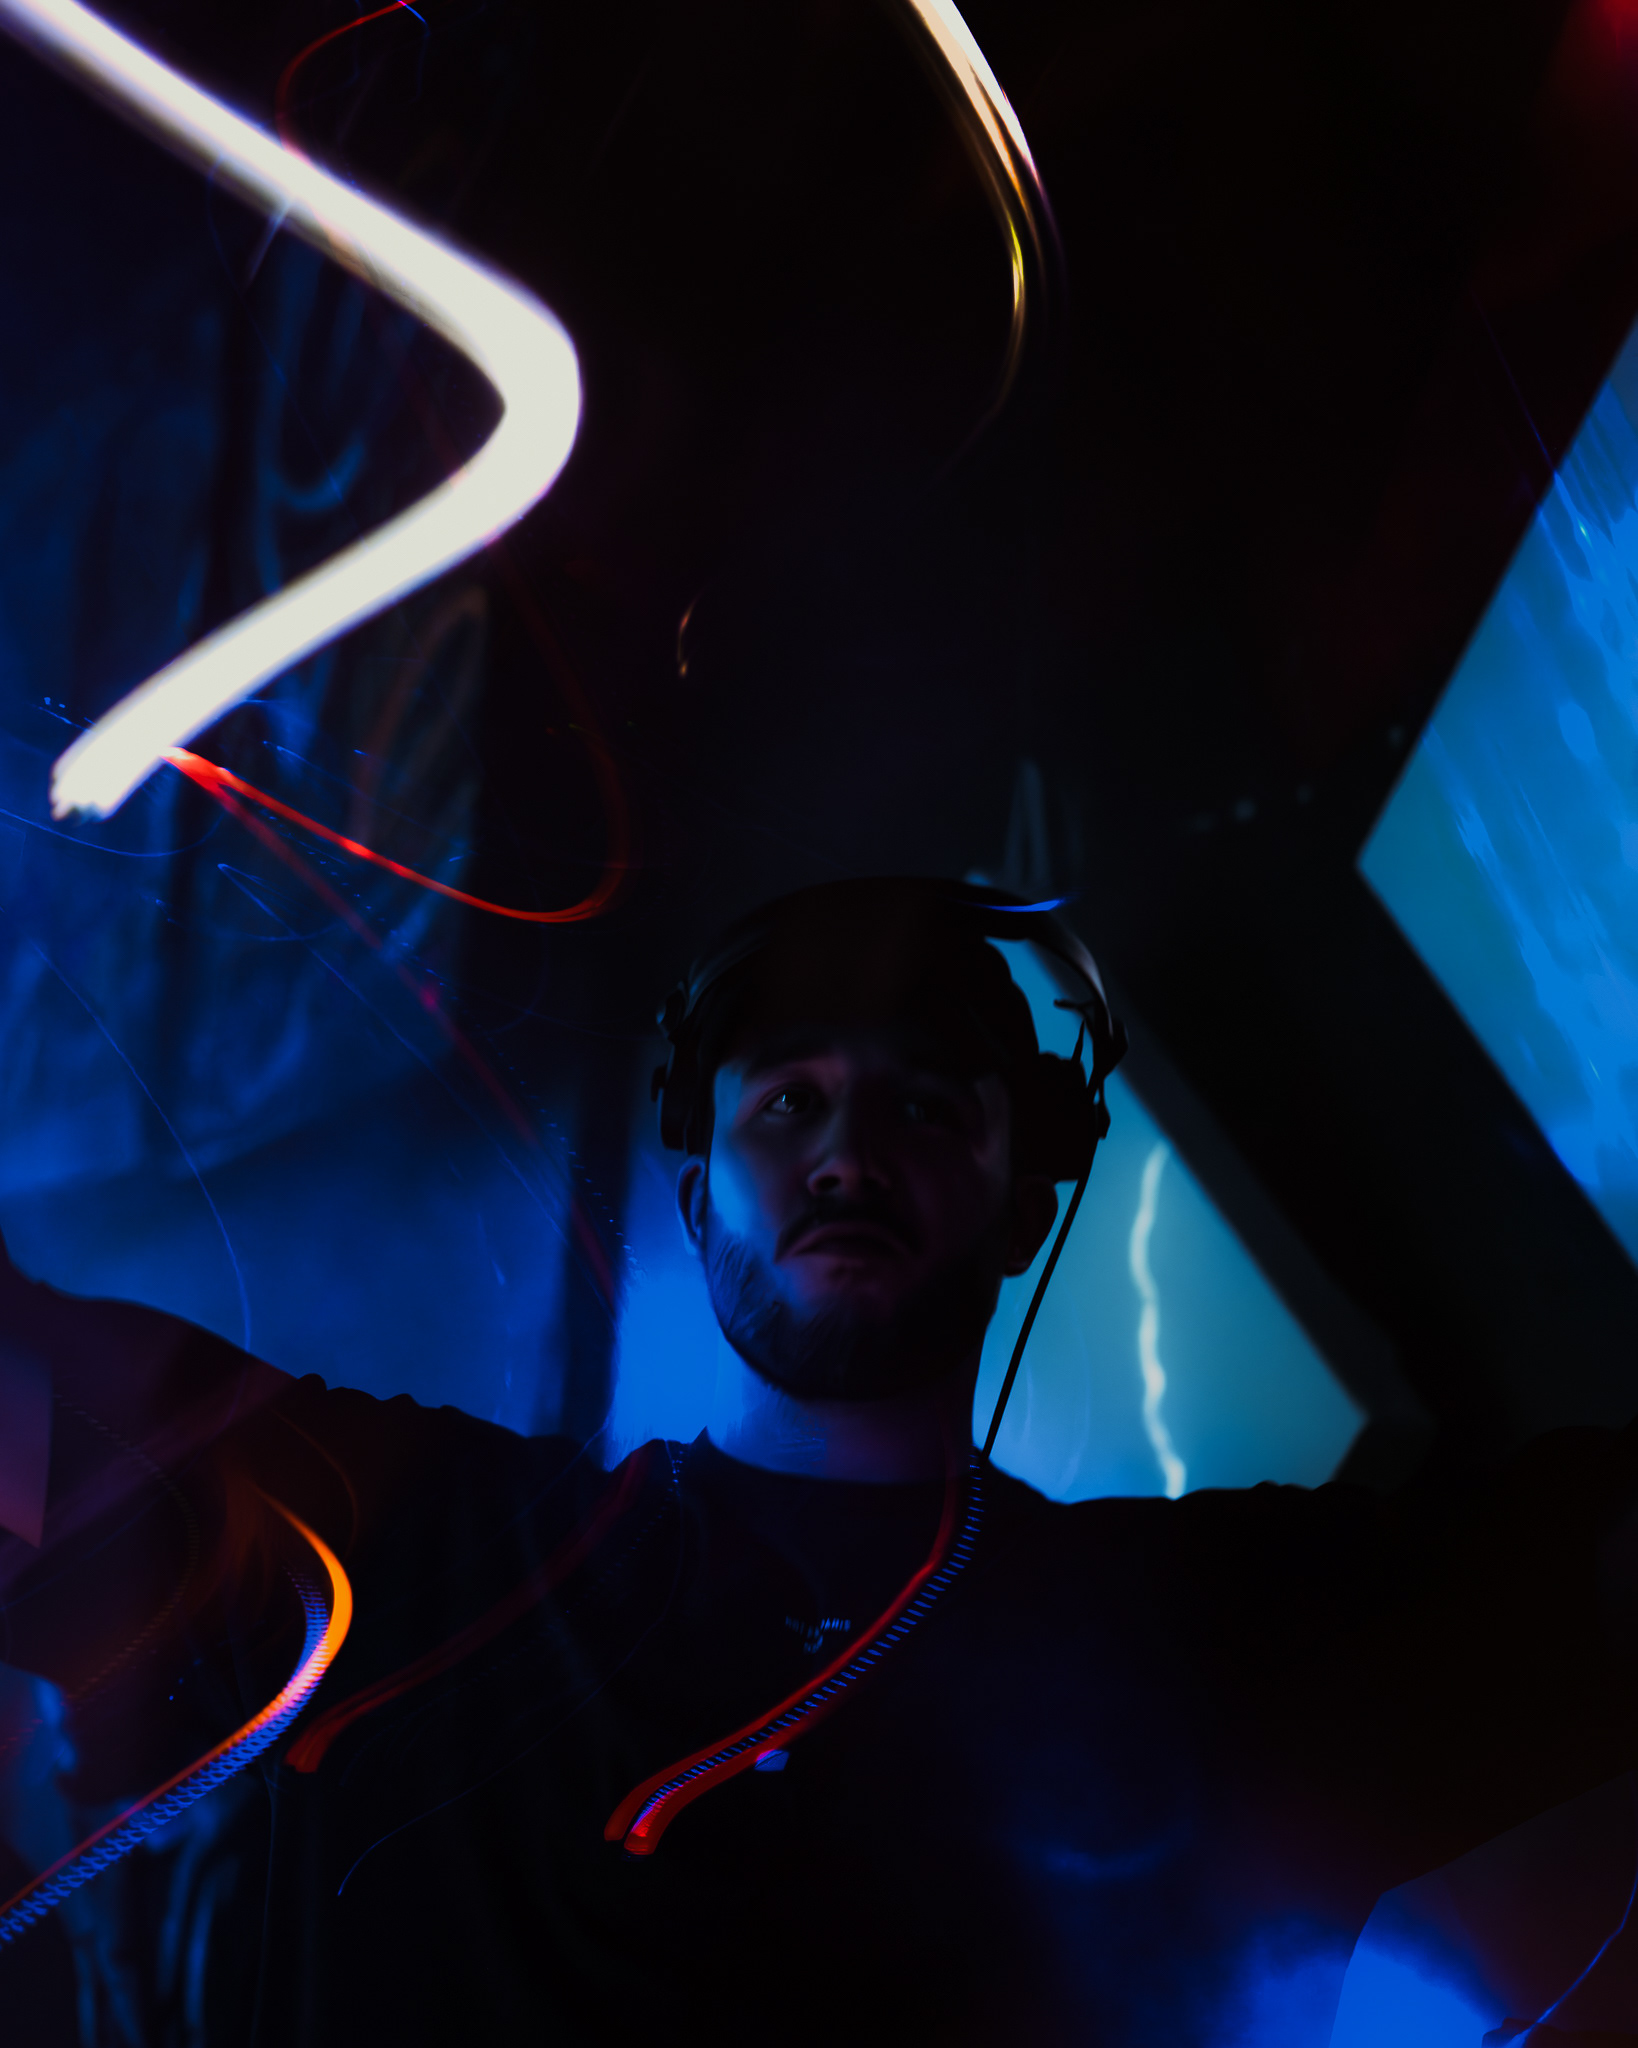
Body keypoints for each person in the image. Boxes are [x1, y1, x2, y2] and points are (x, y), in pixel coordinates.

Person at [0, 876, 1635, 2047]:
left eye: (925, 1107)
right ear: (696, 1192)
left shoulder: (1197, 1633)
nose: (850, 1151)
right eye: (787, 1105)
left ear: (1026, 1200)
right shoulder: (438, 1549)